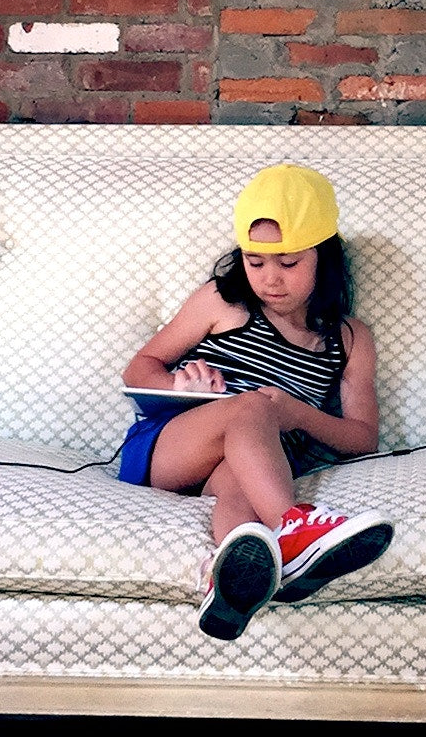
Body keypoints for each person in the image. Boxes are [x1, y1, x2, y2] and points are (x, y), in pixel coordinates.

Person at [119, 164, 393, 641]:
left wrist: (296, 413)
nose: (270, 279)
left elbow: (363, 437)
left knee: (243, 494)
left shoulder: (349, 339)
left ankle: (230, 580)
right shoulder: (221, 303)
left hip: (251, 464)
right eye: (255, 261)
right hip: (175, 450)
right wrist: (183, 385)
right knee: (251, 406)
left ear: (323, 259)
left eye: (289, 264)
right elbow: (140, 366)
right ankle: (295, 527)